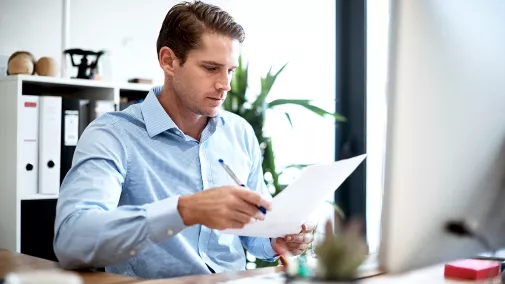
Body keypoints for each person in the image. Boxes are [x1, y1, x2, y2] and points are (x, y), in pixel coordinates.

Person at [53, 0, 315, 279]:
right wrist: (184, 210)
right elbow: (72, 242)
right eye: (211, 68)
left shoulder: (239, 132)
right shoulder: (113, 135)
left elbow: (253, 233)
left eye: (230, 70)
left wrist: (276, 240)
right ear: (168, 61)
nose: (225, 85)